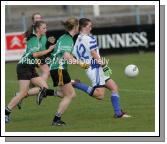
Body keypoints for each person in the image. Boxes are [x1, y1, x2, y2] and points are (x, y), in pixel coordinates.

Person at [72, 18, 131, 118]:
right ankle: (77, 84)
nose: (91, 28)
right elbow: (94, 54)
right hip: (95, 68)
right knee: (100, 95)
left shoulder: (77, 40)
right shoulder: (90, 39)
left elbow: (75, 55)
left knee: (114, 87)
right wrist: (105, 66)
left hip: (91, 68)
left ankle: (118, 113)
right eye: (90, 26)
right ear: (84, 27)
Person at [37, 17, 89, 126]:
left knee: (64, 94)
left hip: (56, 68)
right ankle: (56, 119)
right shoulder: (68, 39)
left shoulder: (63, 37)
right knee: (70, 95)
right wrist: (81, 64)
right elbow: (66, 56)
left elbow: (59, 53)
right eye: (78, 25)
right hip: (59, 69)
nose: (79, 27)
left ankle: (47, 92)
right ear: (75, 27)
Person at [5, 21, 59, 123]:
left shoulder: (38, 39)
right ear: (38, 29)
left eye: (46, 28)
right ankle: (5, 113)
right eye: (44, 28)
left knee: (44, 87)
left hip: (30, 67)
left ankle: (19, 95)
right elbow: (34, 54)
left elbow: (35, 56)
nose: (45, 30)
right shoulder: (34, 39)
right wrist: (48, 50)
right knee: (23, 93)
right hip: (24, 67)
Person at [16, 13, 56, 109]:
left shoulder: (42, 30)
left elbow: (42, 44)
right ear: (33, 20)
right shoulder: (33, 33)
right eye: (36, 18)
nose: (38, 19)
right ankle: (43, 90)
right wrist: (27, 41)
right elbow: (25, 40)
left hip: (40, 55)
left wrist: (48, 42)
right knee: (46, 71)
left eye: (40, 17)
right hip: (36, 57)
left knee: (30, 83)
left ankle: (20, 95)